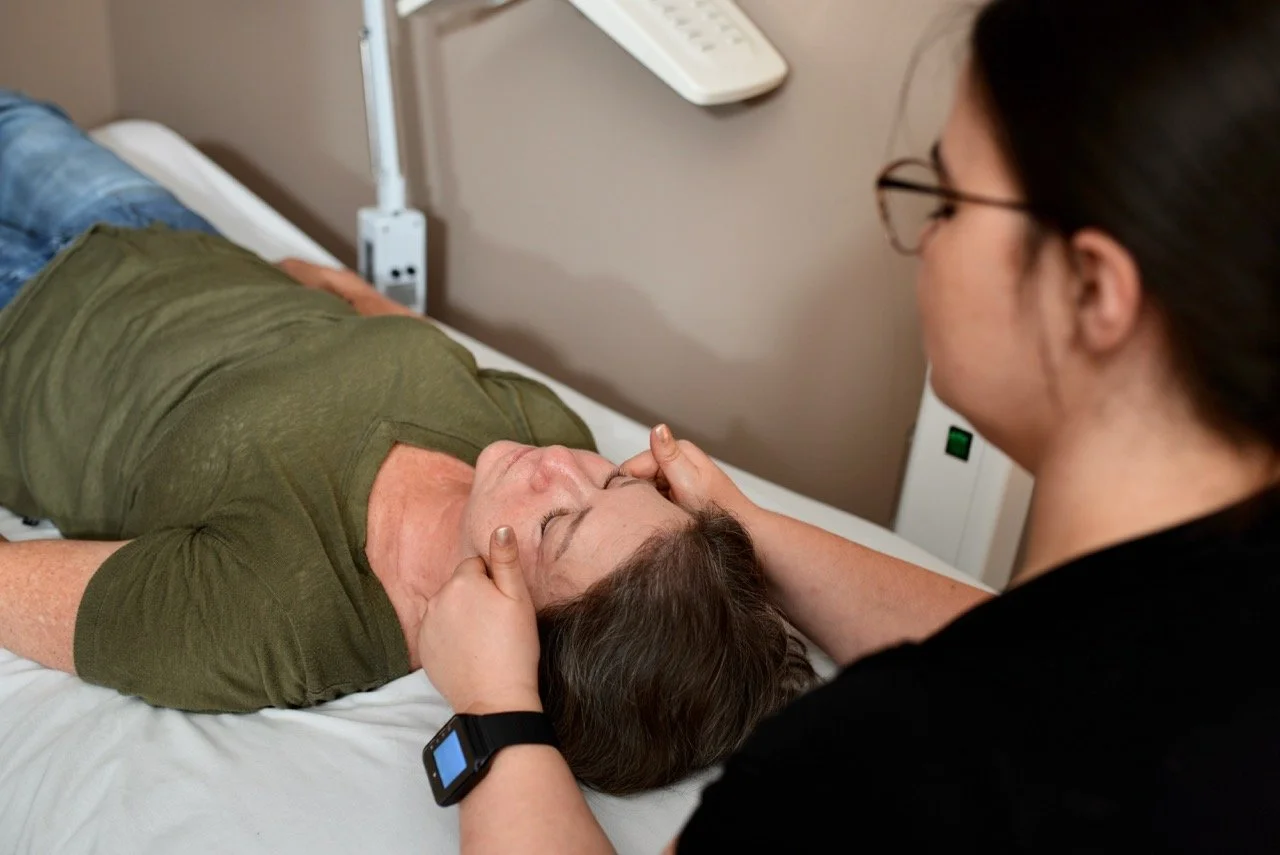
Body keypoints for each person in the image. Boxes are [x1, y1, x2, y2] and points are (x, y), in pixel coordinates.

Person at [416, 0, 1280, 850]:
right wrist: (746, 531)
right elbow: (1036, 646)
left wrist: (493, 714)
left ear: (1091, 291)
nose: (924, 242)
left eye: (948, 202)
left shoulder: (869, 777)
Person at [0, 89, 818, 795]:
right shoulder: (542, 433)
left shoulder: (272, 614)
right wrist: (350, 292)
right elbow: (420, 342)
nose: (561, 467)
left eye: (558, 524)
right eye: (615, 484)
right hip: (159, 235)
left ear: (517, 634)